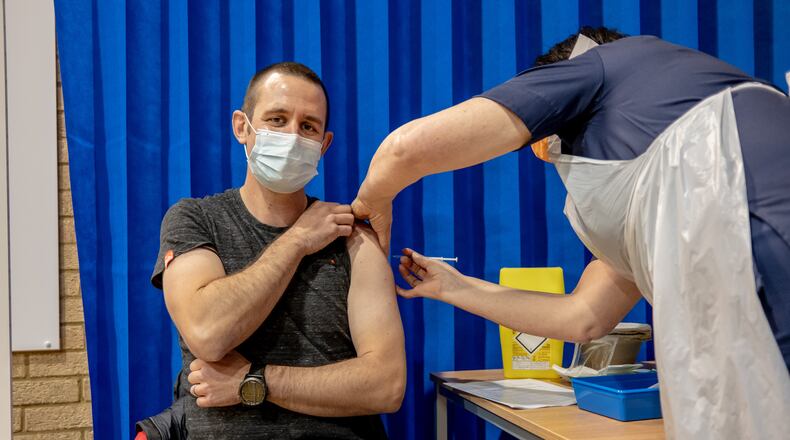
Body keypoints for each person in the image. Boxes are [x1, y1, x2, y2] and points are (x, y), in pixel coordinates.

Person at [352, 27, 790, 439]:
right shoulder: (658, 186)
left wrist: (372, 203)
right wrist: (453, 287)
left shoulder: (605, 65)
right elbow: (585, 317)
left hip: (750, 227)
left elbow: (405, 150)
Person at [146, 62, 406, 439]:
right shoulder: (195, 220)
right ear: (242, 127)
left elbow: (386, 385)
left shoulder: (353, 238)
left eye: (308, 126)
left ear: (324, 144)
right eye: (277, 119)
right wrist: (298, 239)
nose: (292, 136)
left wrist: (253, 382)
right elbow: (208, 331)